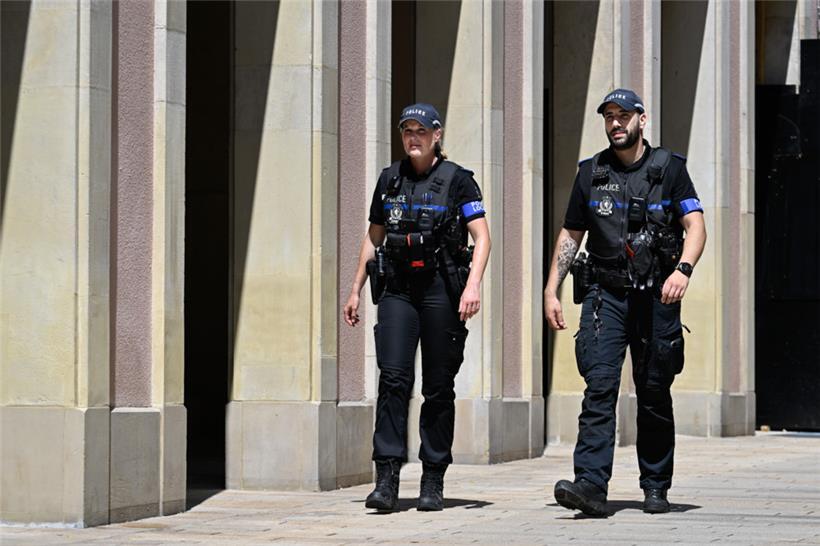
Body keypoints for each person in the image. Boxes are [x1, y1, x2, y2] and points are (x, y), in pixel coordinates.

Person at [543, 89, 707, 517]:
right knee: (599, 388)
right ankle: (590, 485)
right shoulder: (590, 172)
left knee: (653, 391)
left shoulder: (669, 169)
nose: (616, 123)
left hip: (656, 294)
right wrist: (551, 288)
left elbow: (695, 225)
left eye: (623, 115)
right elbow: (571, 234)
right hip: (605, 296)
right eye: (609, 116)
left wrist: (683, 270)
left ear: (641, 119)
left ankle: (655, 485)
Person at [343, 103, 491, 512]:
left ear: (436, 135)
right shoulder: (389, 179)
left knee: (438, 386)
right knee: (393, 379)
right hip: (398, 290)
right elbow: (373, 237)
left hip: (441, 289)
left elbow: (482, 237)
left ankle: (433, 478)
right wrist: (355, 289)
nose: (413, 138)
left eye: (421, 131)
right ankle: (386, 478)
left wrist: (472, 286)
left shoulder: (458, 181)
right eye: (407, 131)